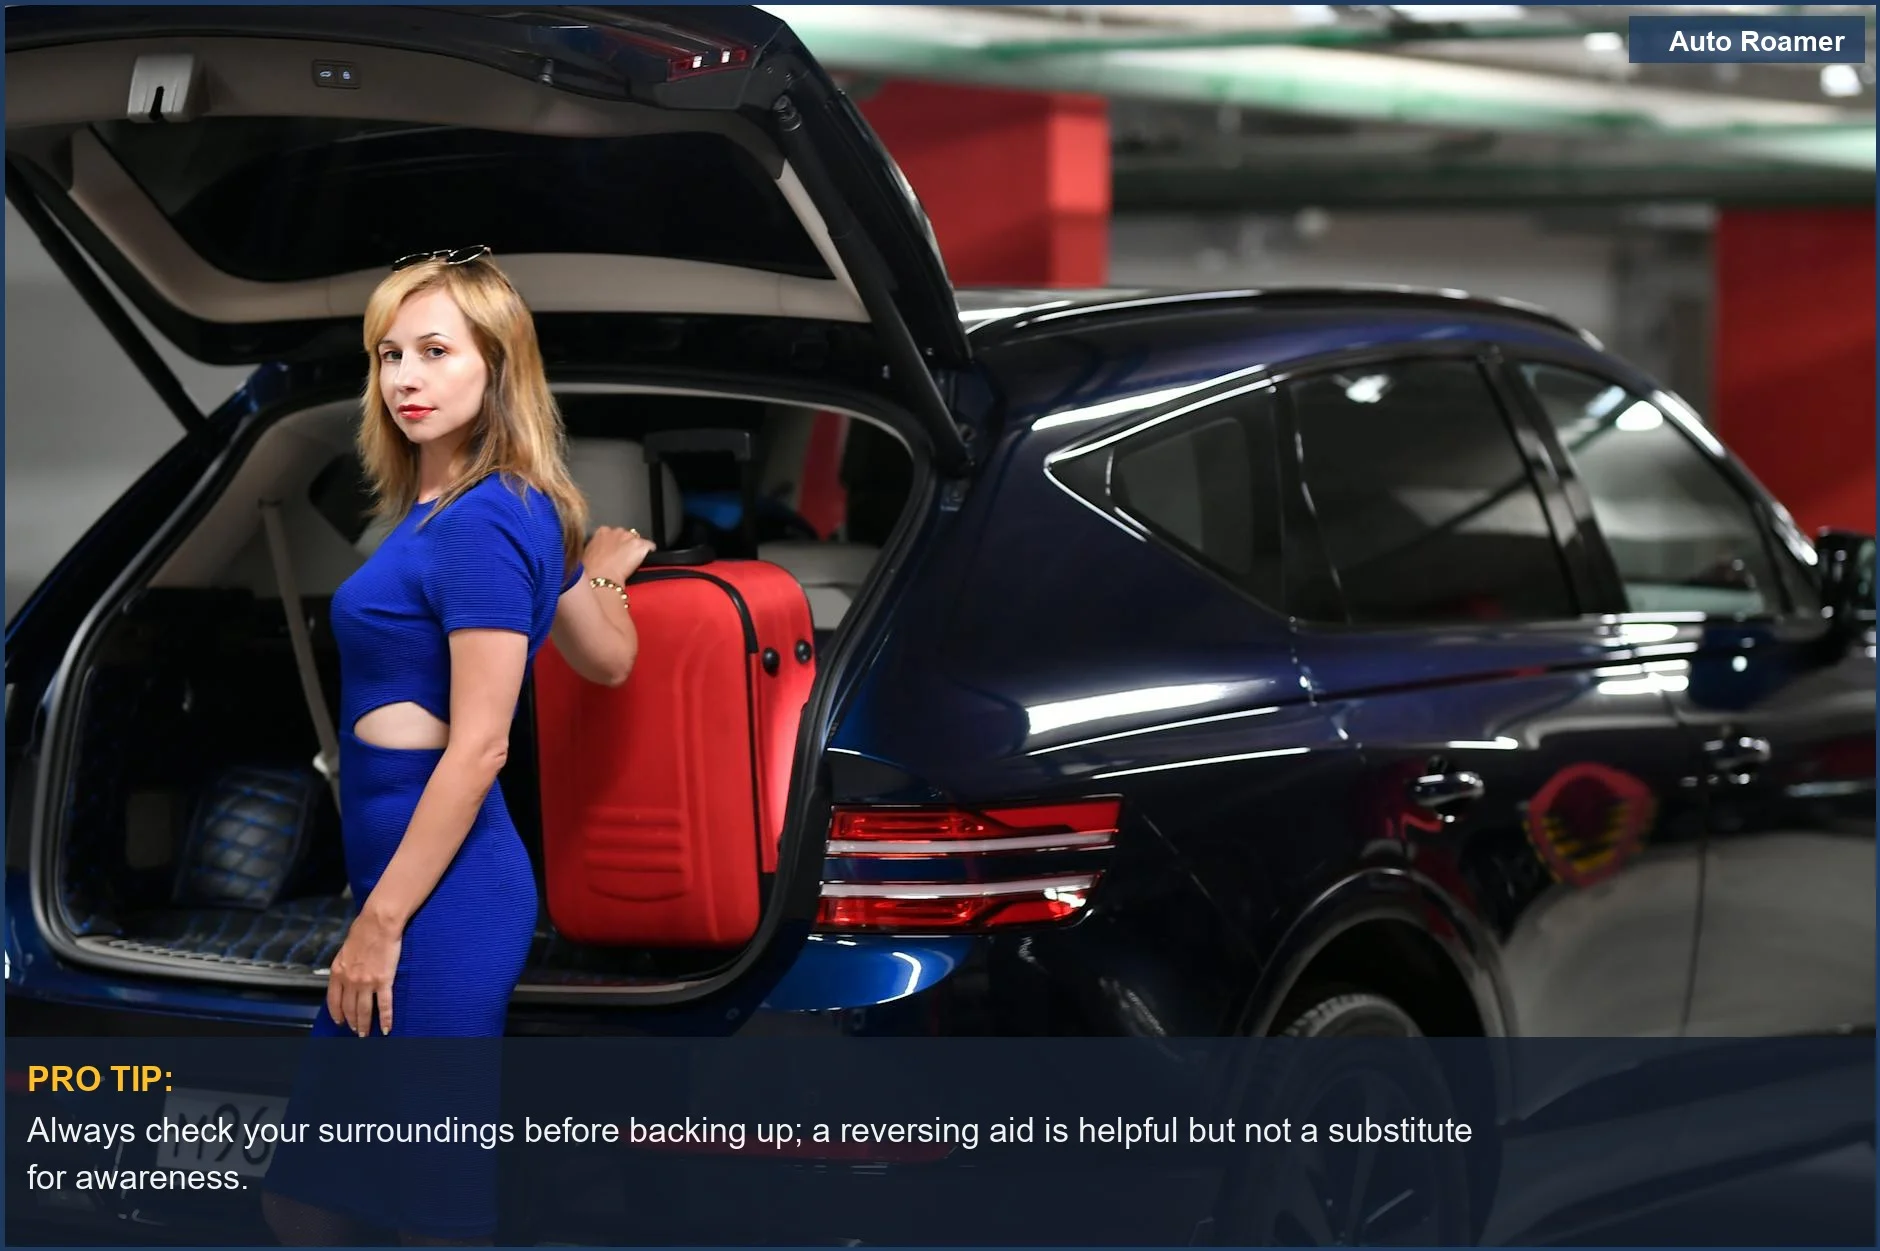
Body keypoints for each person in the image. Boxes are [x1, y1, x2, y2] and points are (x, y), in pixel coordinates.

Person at [259, 246, 654, 1245]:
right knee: (310, 1196)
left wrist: (380, 923)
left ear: (497, 365)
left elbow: (480, 749)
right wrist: (595, 570)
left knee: (434, 1208)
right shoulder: (460, 513)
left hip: (441, 901)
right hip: (406, 884)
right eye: (389, 354)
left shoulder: (487, 521)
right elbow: (608, 660)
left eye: (436, 351)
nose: (405, 378)